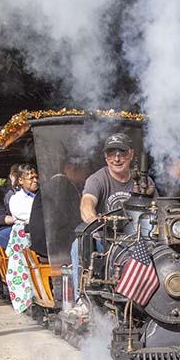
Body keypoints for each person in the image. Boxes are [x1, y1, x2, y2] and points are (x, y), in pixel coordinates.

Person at [69, 133, 156, 313]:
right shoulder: (97, 179)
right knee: (78, 245)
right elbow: (87, 202)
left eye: (122, 153)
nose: (116, 158)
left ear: (131, 154)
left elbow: (157, 209)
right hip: (106, 241)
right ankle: (83, 300)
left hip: (139, 241)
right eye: (111, 154)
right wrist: (93, 219)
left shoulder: (144, 181)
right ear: (105, 156)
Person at [4, 164, 39, 314]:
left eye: (36, 177)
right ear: (21, 181)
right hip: (26, 235)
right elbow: (27, 217)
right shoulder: (16, 199)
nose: (35, 181)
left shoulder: (43, 195)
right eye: (31, 178)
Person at [0, 164, 20, 249]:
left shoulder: (32, 192)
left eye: (21, 173)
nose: (18, 175)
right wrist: (17, 219)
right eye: (15, 172)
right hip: (8, 228)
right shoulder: (2, 193)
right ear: (10, 176)